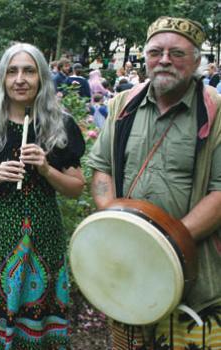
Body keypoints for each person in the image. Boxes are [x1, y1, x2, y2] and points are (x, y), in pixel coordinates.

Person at [88, 16, 221, 349]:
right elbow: (102, 168)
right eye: (155, 52)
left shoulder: (216, 113)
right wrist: (115, 226)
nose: (164, 60)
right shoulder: (122, 104)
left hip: (195, 271)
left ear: (196, 61)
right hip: (128, 267)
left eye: (176, 53)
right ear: (145, 57)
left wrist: (166, 244)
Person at [0, 43, 86, 349]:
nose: (20, 79)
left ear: (41, 77)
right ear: (2, 79)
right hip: (2, 233)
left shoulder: (60, 125)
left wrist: (46, 169)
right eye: (12, 71)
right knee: (0, 308)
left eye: (29, 71)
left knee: (42, 314)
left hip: (46, 234)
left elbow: (76, 187)